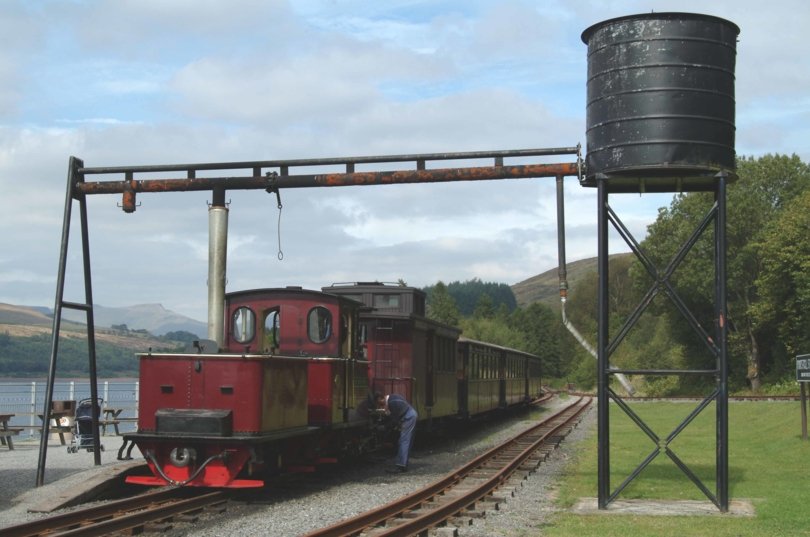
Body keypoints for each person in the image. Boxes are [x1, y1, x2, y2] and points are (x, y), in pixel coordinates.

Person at [375, 391, 417, 473]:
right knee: (406, 441)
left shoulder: (392, 402)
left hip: (408, 417)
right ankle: (403, 464)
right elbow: (394, 418)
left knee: (403, 441)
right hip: (409, 415)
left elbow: (394, 420)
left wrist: (384, 427)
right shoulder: (392, 398)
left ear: (381, 398)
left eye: (379, 402)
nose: (379, 405)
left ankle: (401, 466)